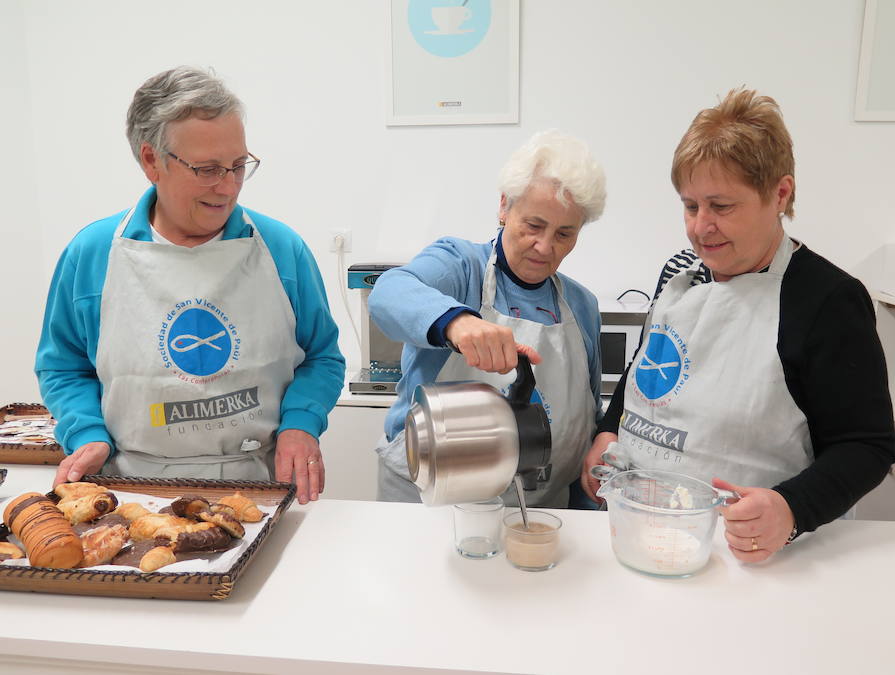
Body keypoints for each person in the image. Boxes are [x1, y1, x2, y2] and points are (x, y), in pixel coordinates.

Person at [582, 88, 895, 561]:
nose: (700, 227)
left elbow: (867, 445)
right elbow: (650, 368)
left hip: (746, 550)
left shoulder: (828, 300)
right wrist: (609, 430)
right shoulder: (679, 274)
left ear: (780, 194)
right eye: (690, 206)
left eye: (721, 207)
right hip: (642, 528)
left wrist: (791, 508)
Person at [36, 66, 345, 503]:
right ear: (151, 161)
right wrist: (85, 430)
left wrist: (301, 422)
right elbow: (63, 366)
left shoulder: (279, 250)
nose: (228, 187)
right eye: (207, 169)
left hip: (261, 483)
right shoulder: (93, 255)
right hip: (131, 488)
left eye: (239, 166)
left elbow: (323, 357)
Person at [368, 130, 608, 508]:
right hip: (428, 500)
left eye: (564, 233)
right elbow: (388, 292)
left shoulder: (582, 306)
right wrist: (457, 323)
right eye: (533, 225)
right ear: (504, 206)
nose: (545, 247)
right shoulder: (459, 268)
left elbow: (585, 425)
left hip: (536, 510)